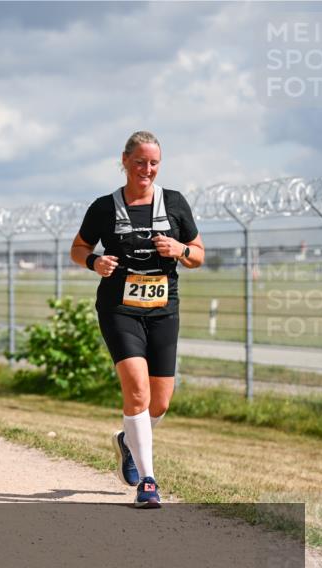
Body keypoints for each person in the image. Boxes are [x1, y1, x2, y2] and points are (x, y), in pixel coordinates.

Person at [70, 131, 204, 508]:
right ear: (125, 161)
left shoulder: (175, 203)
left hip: (163, 311)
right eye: (141, 161)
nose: (147, 169)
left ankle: (127, 442)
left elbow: (198, 254)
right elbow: (78, 248)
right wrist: (94, 261)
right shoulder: (103, 207)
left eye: (154, 163)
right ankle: (148, 481)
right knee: (137, 392)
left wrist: (180, 249)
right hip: (119, 308)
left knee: (159, 403)